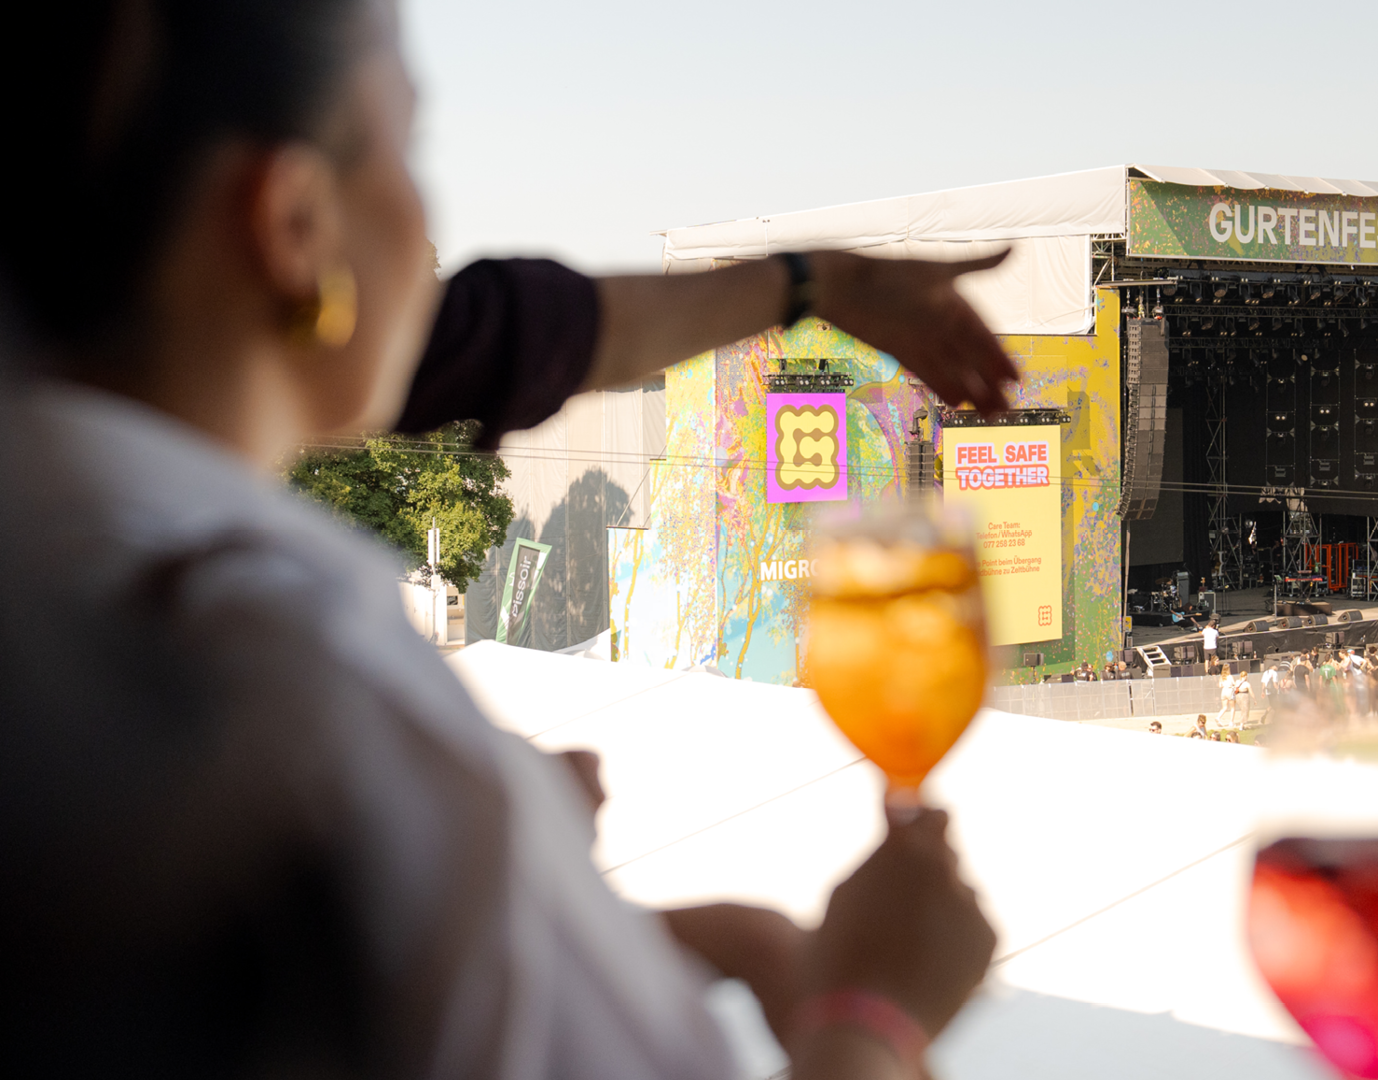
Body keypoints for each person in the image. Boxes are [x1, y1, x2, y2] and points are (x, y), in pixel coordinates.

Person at [0, 6, 1008, 1077]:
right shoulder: (292, 671)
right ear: (294, 227)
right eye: (407, 146)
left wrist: (573, 910)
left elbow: (510, 336)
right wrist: (875, 1012)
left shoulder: (60, 584)